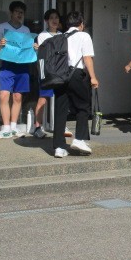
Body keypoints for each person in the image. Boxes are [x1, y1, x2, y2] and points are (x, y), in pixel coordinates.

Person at [52, 11, 99, 158]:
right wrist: (93, 77)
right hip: (77, 74)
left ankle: (59, 147)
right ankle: (79, 139)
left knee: (60, 110)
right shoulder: (84, 36)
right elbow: (87, 58)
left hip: (60, 76)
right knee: (83, 106)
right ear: (81, 24)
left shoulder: (60, 37)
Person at [0, 1, 37, 139]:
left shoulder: (26, 30)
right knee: (4, 95)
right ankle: (5, 127)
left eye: (22, 12)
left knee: (18, 96)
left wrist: (34, 48)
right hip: (7, 65)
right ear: (11, 13)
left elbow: (29, 50)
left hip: (22, 66)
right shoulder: (2, 27)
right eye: (17, 12)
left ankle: (13, 126)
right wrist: (0, 44)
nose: (19, 14)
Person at [31, 9, 62, 139]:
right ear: (46, 21)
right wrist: (42, 74)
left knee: (61, 99)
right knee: (43, 99)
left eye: (56, 17)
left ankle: (60, 125)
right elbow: (41, 56)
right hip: (47, 72)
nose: (54, 20)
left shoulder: (62, 35)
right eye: (51, 18)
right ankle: (37, 127)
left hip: (60, 71)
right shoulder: (42, 36)